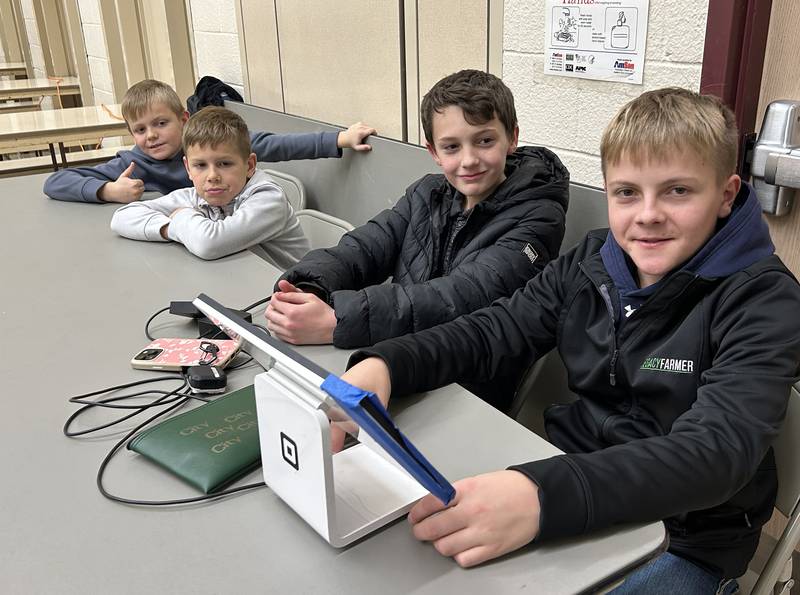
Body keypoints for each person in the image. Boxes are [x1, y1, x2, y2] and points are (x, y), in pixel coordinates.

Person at [339, 87, 800, 593]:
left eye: (677, 191)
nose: (647, 214)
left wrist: (541, 497)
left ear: (726, 194)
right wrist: (385, 365)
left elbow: (716, 452)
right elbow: (495, 330)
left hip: (687, 536)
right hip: (570, 479)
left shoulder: (763, 299)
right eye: (627, 192)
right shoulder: (592, 260)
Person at [265, 69, 569, 409]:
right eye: (451, 147)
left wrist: (340, 320)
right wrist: (307, 290)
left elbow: (465, 296)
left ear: (512, 138)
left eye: (484, 140)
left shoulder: (539, 215)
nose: (468, 160)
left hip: (465, 389)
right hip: (389, 356)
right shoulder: (427, 193)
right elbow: (364, 246)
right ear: (434, 152)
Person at [43, 79, 375, 203]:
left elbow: (277, 144)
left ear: (183, 120)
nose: (151, 135)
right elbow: (57, 181)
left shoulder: (212, 145)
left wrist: (339, 139)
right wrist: (106, 190)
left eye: (161, 123)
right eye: (140, 130)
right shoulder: (133, 164)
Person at [110, 106, 307, 268]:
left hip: (291, 298)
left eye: (225, 164)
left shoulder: (268, 198)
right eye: (201, 165)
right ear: (188, 167)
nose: (212, 176)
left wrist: (181, 216)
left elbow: (208, 244)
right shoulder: (197, 195)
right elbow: (121, 217)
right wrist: (170, 229)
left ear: (249, 165)